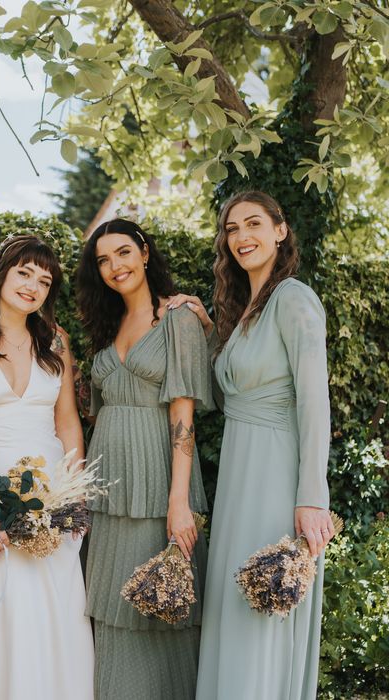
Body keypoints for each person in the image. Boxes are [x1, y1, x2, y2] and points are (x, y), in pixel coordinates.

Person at [170, 190, 334, 700]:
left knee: (264, 598)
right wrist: (203, 327)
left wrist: (312, 498)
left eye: (254, 223)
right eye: (232, 228)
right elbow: (226, 398)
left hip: (277, 472)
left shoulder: (294, 298)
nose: (242, 236)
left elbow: (314, 402)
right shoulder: (244, 314)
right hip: (241, 470)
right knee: (233, 602)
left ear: (280, 231)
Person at [0, 235, 94, 700]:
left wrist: (74, 493)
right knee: (0, 601)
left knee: (56, 601)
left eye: (44, 281)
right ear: (1, 271)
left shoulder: (56, 342)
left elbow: (67, 422)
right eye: (24, 272)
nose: (33, 286)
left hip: (51, 490)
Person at [75, 218, 212, 699]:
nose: (115, 266)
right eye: (104, 260)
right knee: (110, 611)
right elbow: (95, 416)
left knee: (163, 610)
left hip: (159, 486)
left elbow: (184, 415)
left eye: (124, 253)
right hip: (108, 489)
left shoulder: (178, 318)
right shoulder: (105, 327)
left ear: (146, 253)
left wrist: (178, 501)